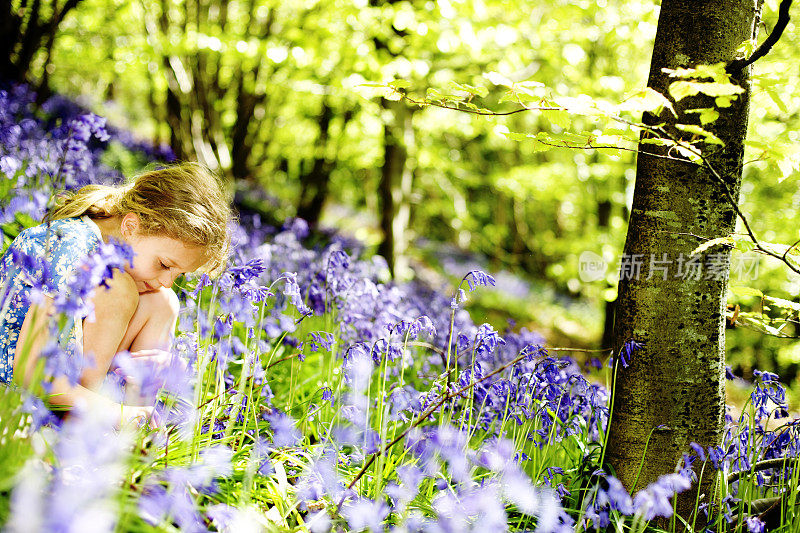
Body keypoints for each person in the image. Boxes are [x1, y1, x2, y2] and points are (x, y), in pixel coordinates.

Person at [0, 162, 231, 425]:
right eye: (165, 265)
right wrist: (115, 413)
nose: (168, 281)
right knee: (120, 288)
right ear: (130, 227)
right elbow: (30, 370)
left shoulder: (133, 272)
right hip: (13, 385)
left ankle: (133, 432)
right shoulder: (71, 246)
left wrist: (155, 372)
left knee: (164, 302)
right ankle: (82, 429)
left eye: (179, 274)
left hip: (67, 381)